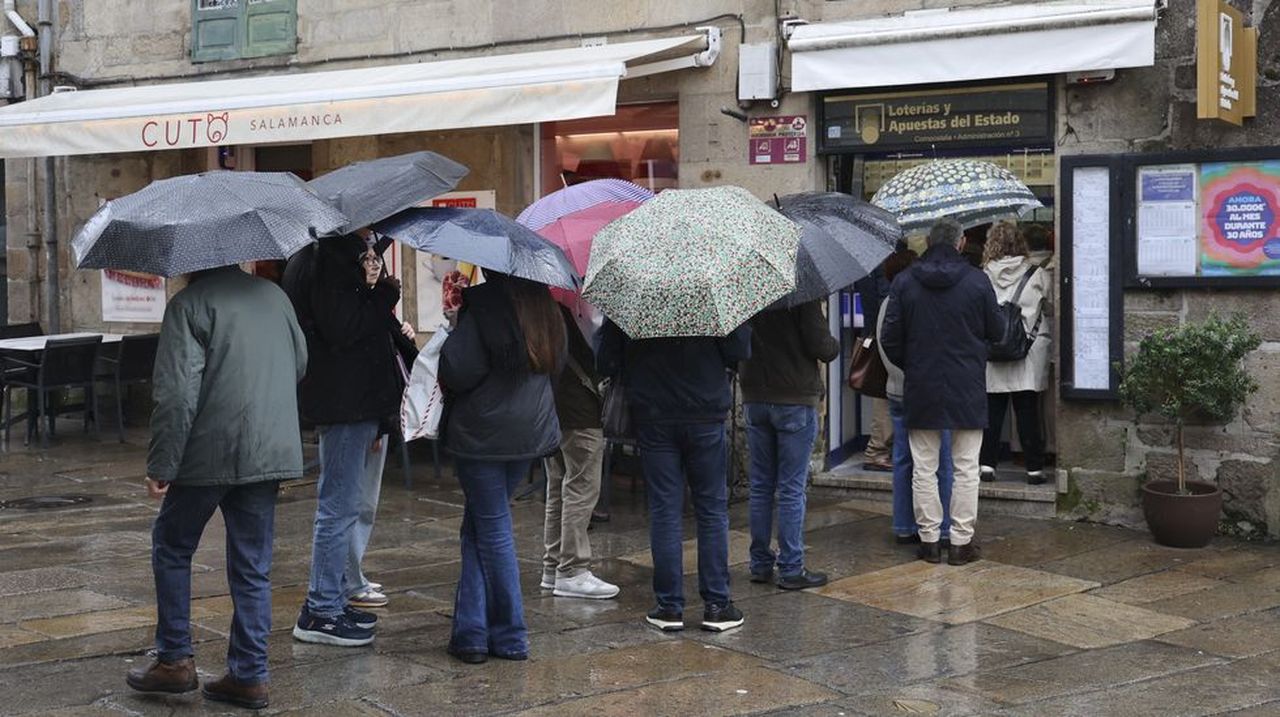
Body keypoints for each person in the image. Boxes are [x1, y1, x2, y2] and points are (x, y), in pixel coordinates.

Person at [127, 265, 307, 711]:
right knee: (252, 565)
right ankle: (249, 675)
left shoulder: (188, 306)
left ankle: (174, 661)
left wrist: (162, 464)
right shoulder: (275, 296)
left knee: (172, 545)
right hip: (266, 449)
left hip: (208, 451)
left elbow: (176, 395)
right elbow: (299, 363)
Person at [439, 271, 564, 664]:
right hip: (529, 431)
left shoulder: (486, 308)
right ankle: (471, 634)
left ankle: (510, 634)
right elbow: (555, 365)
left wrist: (457, 325)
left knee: (492, 529)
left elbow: (457, 370)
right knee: (478, 526)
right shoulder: (547, 309)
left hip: (484, 434)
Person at [293, 234, 410, 647]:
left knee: (344, 505)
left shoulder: (327, 258)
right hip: (345, 402)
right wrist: (383, 296)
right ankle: (321, 609)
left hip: (353, 401)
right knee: (338, 506)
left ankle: (333, 597)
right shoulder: (328, 260)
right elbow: (344, 328)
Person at [598, 319, 750, 633]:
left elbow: (607, 358)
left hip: (654, 411)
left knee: (665, 510)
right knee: (711, 510)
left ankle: (669, 607)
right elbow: (739, 349)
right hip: (705, 409)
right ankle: (718, 605)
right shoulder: (712, 290)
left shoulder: (636, 293)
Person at [881, 218, 1001, 566]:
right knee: (966, 467)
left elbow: (890, 338)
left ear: (928, 242)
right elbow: (996, 329)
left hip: (922, 385)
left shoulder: (904, 282)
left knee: (923, 467)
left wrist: (915, 365)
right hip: (966, 384)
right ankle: (961, 542)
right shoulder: (978, 281)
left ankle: (929, 540)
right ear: (961, 243)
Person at [739, 300, 838, 589]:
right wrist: (833, 343)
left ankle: (759, 563)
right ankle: (791, 567)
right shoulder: (801, 293)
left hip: (755, 395)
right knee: (792, 488)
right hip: (794, 398)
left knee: (760, 486)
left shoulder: (749, 288)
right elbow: (822, 347)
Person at [875, 251, 954, 545]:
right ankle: (942, 527)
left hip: (895, 389)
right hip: (923, 389)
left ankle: (904, 525)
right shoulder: (918, 302)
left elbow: (886, 345)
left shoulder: (886, 303)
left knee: (903, 460)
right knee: (941, 459)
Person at [541, 304, 619, 599]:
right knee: (582, 488)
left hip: (552, 408)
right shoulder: (586, 310)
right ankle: (573, 569)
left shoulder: (548, 306)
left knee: (558, 488)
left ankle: (552, 566)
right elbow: (606, 354)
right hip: (581, 409)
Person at [980, 222, 1052, 485]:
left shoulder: (983, 275)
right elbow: (1053, 307)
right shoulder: (1037, 274)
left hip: (994, 347)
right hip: (1029, 349)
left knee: (993, 410)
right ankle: (1034, 468)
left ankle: (987, 465)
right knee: (1027, 410)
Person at [852, 264, 893, 472]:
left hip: (876, 332)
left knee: (885, 393)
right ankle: (876, 451)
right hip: (882, 335)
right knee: (884, 395)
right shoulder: (880, 263)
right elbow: (883, 300)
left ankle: (878, 449)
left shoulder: (871, 262)